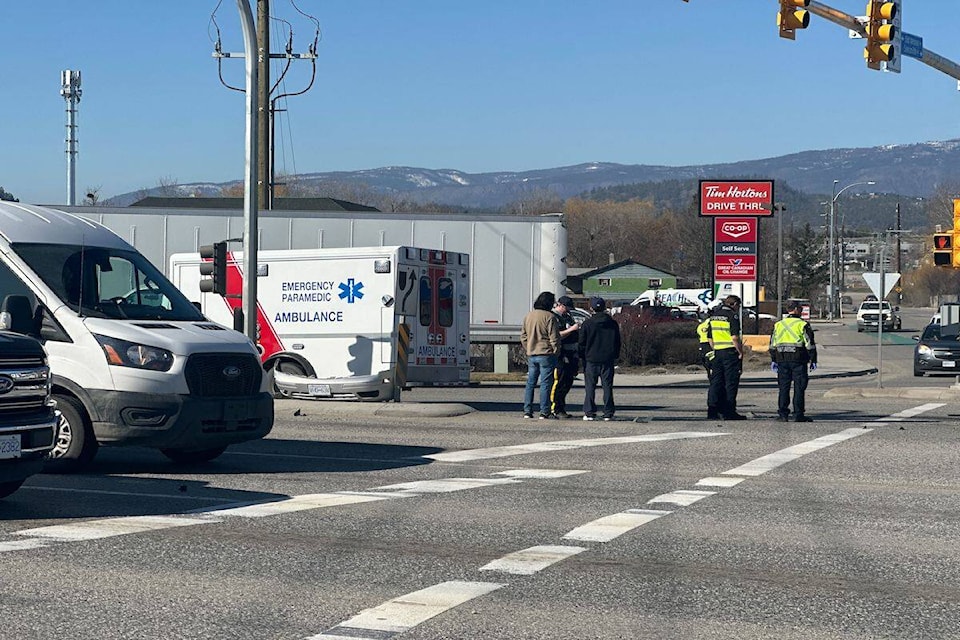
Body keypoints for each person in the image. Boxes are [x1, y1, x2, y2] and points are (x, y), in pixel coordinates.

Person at [770, 299, 818, 422]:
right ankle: (798, 414)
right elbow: (809, 344)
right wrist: (813, 359)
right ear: (796, 309)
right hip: (798, 359)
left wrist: (774, 359)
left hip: (782, 359)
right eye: (800, 309)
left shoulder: (778, 324)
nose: (801, 311)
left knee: (783, 387)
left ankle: (783, 414)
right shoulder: (802, 325)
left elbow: (772, 344)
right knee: (799, 387)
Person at [578, 297, 621, 421]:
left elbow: (582, 342)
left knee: (590, 387)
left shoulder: (587, 324)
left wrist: (582, 356)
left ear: (591, 308)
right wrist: (615, 355)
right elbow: (617, 341)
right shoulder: (612, 323)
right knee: (607, 386)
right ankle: (608, 412)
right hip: (607, 359)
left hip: (591, 359)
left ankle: (589, 412)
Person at [520, 291, 560, 419]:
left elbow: (523, 336)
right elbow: (554, 337)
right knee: (545, 383)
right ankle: (544, 411)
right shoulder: (550, 317)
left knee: (530, 383)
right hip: (546, 353)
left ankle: (527, 410)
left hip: (532, 353)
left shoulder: (528, 316)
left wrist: (528, 347)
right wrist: (556, 351)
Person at [706, 295, 746, 420]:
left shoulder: (714, 316)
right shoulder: (732, 316)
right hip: (730, 353)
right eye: (738, 306)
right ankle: (729, 411)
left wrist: (715, 349)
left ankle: (712, 410)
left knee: (716, 382)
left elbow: (709, 338)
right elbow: (734, 337)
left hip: (717, 352)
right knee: (731, 383)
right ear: (734, 304)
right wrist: (740, 351)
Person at [550, 296, 580, 419]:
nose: (567, 311)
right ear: (560, 305)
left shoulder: (567, 317)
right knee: (559, 381)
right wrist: (572, 329)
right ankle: (555, 408)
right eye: (566, 308)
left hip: (571, 353)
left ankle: (561, 407)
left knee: (568, 381)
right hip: (561, 353)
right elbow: (557, 335)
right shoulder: (554, 317)